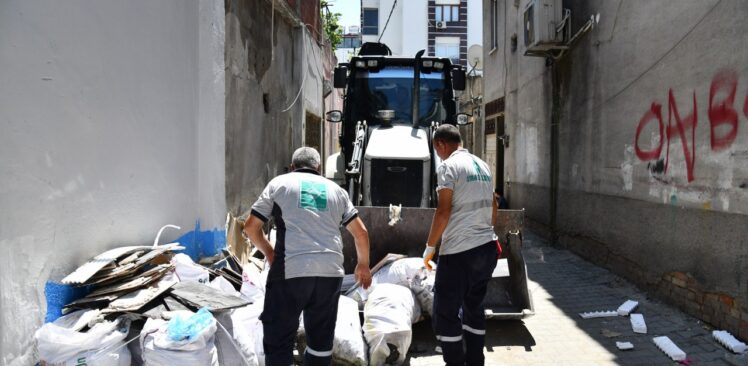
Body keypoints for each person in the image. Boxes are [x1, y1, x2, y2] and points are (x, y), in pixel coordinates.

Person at [243, 147, 372, 366]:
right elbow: (361, 233)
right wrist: (363, 265)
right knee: (321, 343)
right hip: (330, 273)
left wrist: (270, 252)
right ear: (319, 169)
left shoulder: (279, 184)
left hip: (290, 271)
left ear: (292, 167)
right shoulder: (336, 190)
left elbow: (251, 227)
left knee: (279, 339)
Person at [423, 124, 500, 366]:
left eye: (437, 150)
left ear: (440, 145)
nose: (438, 154)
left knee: (445, 314)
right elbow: (494, 205)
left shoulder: (448, 166)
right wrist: (486, 233)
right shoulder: (482, 165)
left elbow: (443, 210)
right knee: (474, 308)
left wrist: (430, 247)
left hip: (459, 253)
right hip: (486, 249)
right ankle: (476, 362)